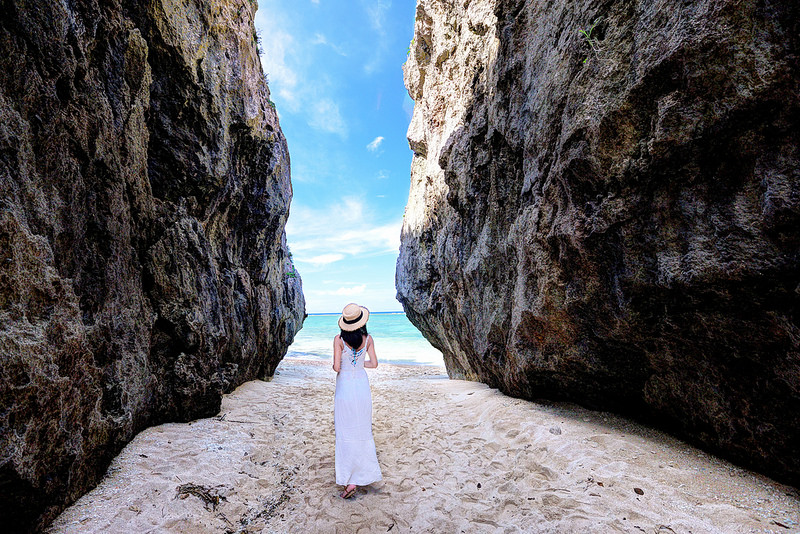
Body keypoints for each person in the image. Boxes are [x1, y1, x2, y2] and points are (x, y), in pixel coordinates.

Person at [332, 303, 382, 499]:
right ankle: (358, 478)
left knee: (345, 431)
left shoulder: (338, 340)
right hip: (361, 387)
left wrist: (344, 365)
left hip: (345, 387)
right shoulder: (368, 339)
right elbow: (374, 364)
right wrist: (360, 364)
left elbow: (337, 367)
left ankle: (349, 478)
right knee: (362, 430)